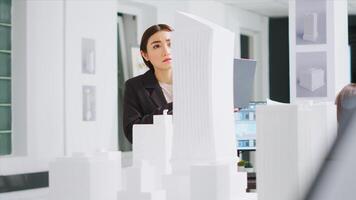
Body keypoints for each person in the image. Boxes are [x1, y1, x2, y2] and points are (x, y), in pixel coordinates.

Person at [123, 24, 174, 143]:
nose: (166, 51)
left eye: (170, 44)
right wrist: (173, 108)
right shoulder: (134, 87)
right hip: (156, 156)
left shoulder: (195, 82)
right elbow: (132, 133)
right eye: (156, 46)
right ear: (145, 55)